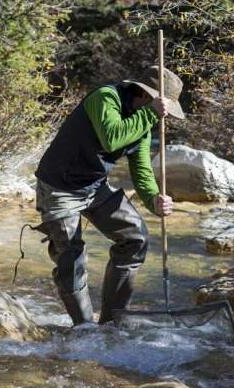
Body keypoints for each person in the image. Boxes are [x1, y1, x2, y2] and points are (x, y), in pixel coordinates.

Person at [34, 66, 185, 325]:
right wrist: (150, 115)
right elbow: (111, 138)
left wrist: (154, 199)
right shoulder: (106, 98)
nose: (164, 117)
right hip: (59, 187)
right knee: (71, 256)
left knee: (135, 238)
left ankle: (111, 322)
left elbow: (141, 170)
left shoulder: (144, 124)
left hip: (94, 186)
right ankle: (84, 328)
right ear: (146, 96)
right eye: (164, 109)